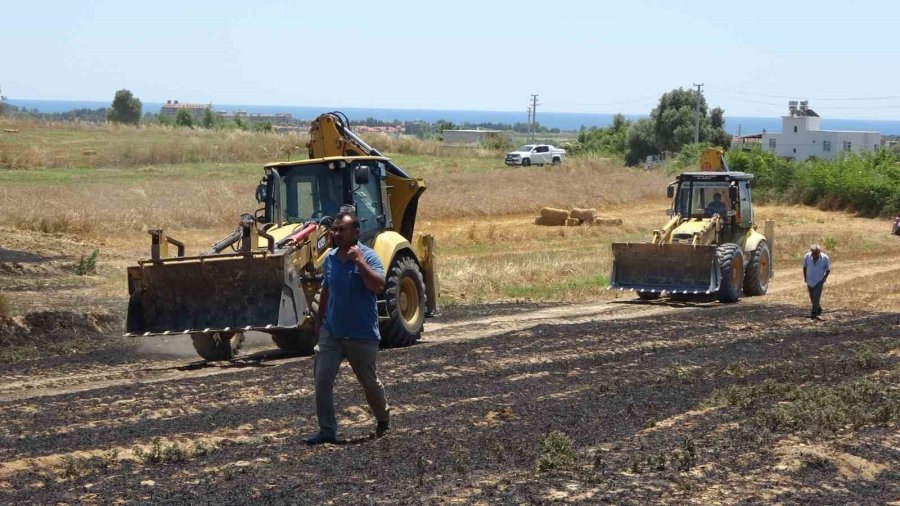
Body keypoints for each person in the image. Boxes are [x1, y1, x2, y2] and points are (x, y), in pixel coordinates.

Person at [305, 211, 390, 445]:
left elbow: (378, 286)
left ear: (355, 232)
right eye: (335, 229)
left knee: (369, 382)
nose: (336, 234)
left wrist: (360, 262)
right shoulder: (331, 259)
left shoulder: (369, 257)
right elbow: (327, 290)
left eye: (342, 229)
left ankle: (383, 420)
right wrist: (319, 320)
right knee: (322, 380)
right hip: (332, 332)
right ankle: (327, 430)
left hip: (361, 333)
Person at [802, 244, 831, 318]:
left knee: (816, 297)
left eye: (817, 253)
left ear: (819, 251)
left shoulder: (825, 258)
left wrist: (824, 278)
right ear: (811, 252)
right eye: (814, 253)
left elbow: (828, 269)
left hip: (819, 281)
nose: (815, 254)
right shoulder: (807, 256)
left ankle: (814, 312)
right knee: (812, 298)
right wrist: (805, 277)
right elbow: (804, 267)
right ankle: (818, 308)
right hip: (810, 280)